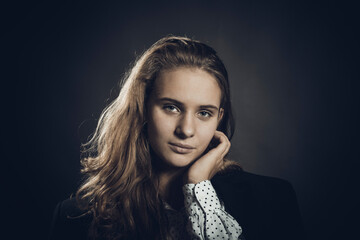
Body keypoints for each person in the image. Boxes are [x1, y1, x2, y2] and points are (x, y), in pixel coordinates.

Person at [50, 36, 305, 240]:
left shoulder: (273, 201)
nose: (186, 129)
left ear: (219, 118)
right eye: (171, 107)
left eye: (204, 113)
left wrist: (198, 187)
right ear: (143, 108)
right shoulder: (76, 217)